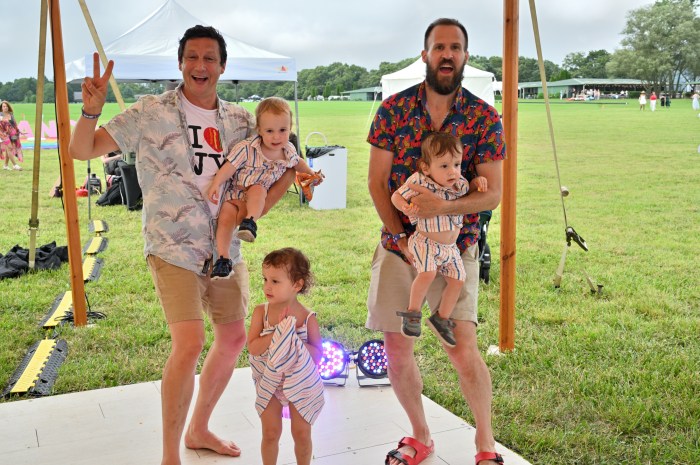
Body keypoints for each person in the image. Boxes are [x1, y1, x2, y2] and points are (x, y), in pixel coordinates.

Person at [69, 25, 295, 465]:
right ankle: (169, 455)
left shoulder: (241, 122)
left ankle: (199, 428)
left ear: (223, 67)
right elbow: (82, 150)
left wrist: (286, 181)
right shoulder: (150, 111)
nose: (200, 66)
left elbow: (264, 183)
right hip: (172, 245)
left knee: (232, 338)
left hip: (224, 250)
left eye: (210, 58)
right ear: (180, 64)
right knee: (189, 341)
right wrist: (90, 112)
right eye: (192, 57)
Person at [366, 18, 506, 465]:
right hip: (398, 246)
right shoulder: (392, 109)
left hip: (456, 246)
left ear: (465, 56)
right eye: (439, 47)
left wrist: (439, 209)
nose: (447, 55)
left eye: (456, 48)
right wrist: (399, 237)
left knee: (461, 345)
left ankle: (486, 446)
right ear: (425, 54)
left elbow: (493, 193)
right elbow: (376, 181)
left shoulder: (484, 116)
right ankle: (420, 436)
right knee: (397, 346)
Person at [206, 97, 323, 279]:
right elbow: (229, 167)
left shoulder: (288, 150)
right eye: (270, 131)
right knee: (225, 220)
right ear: (259, 130)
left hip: (257, 196)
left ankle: (249, 222)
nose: (276, 137)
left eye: (282, 130)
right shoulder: (247, 148)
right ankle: (223, 258)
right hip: (235, 192)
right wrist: (215, 183)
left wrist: (312, 173)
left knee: (258, 188)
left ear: (290, 128)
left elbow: (298, 163)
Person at [391, 132, 487, 348]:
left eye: (456, 164)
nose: (452, 171)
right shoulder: (419, 180)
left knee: (458, 279)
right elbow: (396, 196)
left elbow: (469, 190)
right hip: (425, 241)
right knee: (427, 273)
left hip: (450, 247)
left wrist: (476, 183)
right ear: (426, 167)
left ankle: (441, 318)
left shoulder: (458, 183)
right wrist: (404, 207)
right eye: (444, 166)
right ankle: (412, 314)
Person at [247, 247, 324, 465]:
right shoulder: (261, 313)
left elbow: (317, 355)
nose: (266, 287)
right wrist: (277, 332)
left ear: (297, 285)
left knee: (301, 433)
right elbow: (253, 348)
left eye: (275, 281)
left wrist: (291, 337)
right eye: (265, 279)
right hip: (268, 381)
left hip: (299, 382)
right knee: (270, 432)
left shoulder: (307, 318)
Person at [0, 101, 23, 171]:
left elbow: (14, 124)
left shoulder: (11, 114)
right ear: (1, 108)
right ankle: (15, 165)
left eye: (6, 106)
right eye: (3, 106)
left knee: (8, 150)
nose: (5, 107)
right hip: (3, 134)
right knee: (9, 148)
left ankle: (5, 165)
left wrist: (17, 131)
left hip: (12, 134)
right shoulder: (0, 115)